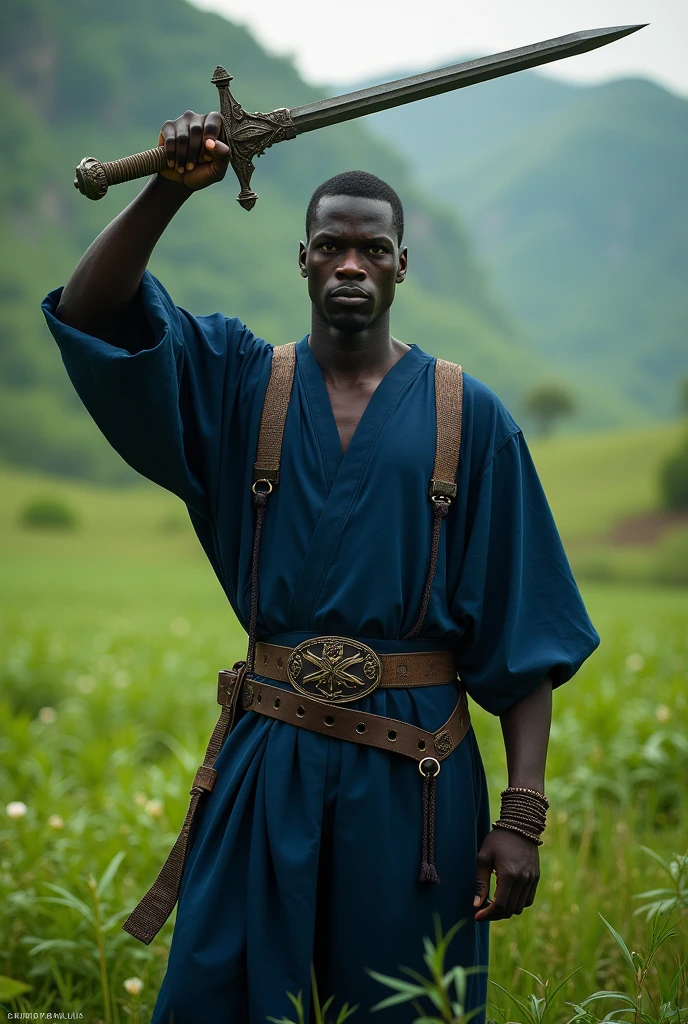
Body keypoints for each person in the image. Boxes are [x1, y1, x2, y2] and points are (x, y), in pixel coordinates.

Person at [40, 109, 600, 1024]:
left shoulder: (473, 418)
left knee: (401, 1008)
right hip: (268, 762)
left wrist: (521, 813)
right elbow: (94, 313)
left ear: (401, 266)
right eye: (331, 246)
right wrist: (166, 190)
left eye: (372, 249)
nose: (351, 264)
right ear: (300, 258)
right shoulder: (239, 381)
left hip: (416, 784)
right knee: (218, 1000)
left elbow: (524, 632)